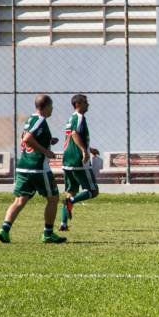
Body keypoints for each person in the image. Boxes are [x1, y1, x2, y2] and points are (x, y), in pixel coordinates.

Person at [0, 94, 66, 244]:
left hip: (23, 167)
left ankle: (4, 229)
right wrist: (46, 151)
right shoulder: (40, 120)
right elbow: (27, 138)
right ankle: (48, 234)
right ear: (46, 106)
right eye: (51, 106)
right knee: (53, 198)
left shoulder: (31, 119)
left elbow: (30, 138)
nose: (52, 109)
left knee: (20, 200)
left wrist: (48, 141)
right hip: (38, 169)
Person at [59, 93, 100, 232]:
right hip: (78, 160)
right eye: (85, 102)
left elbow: (73, 137)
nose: (88, 104)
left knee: (70, 191)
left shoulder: (71, 118)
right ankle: (71, 202)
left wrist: (89, 148)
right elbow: (74, 134)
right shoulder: (79, 117)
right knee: (93, 191)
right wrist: (84, 151)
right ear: (78, 104)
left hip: (67, 160)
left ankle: (63, 224)